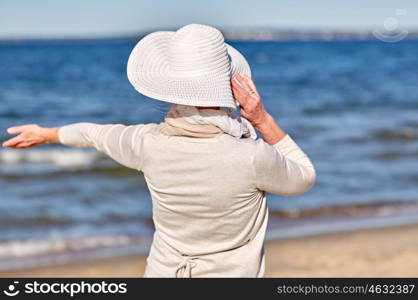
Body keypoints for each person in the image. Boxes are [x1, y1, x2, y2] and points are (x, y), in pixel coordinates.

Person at [2, 24, 315, 277]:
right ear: (227, 87)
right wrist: (262, 119)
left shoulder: (146, 143)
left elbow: (93, 133)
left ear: (172, 88)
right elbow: (304, 177)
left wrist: (46, 134)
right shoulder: (252, 156)